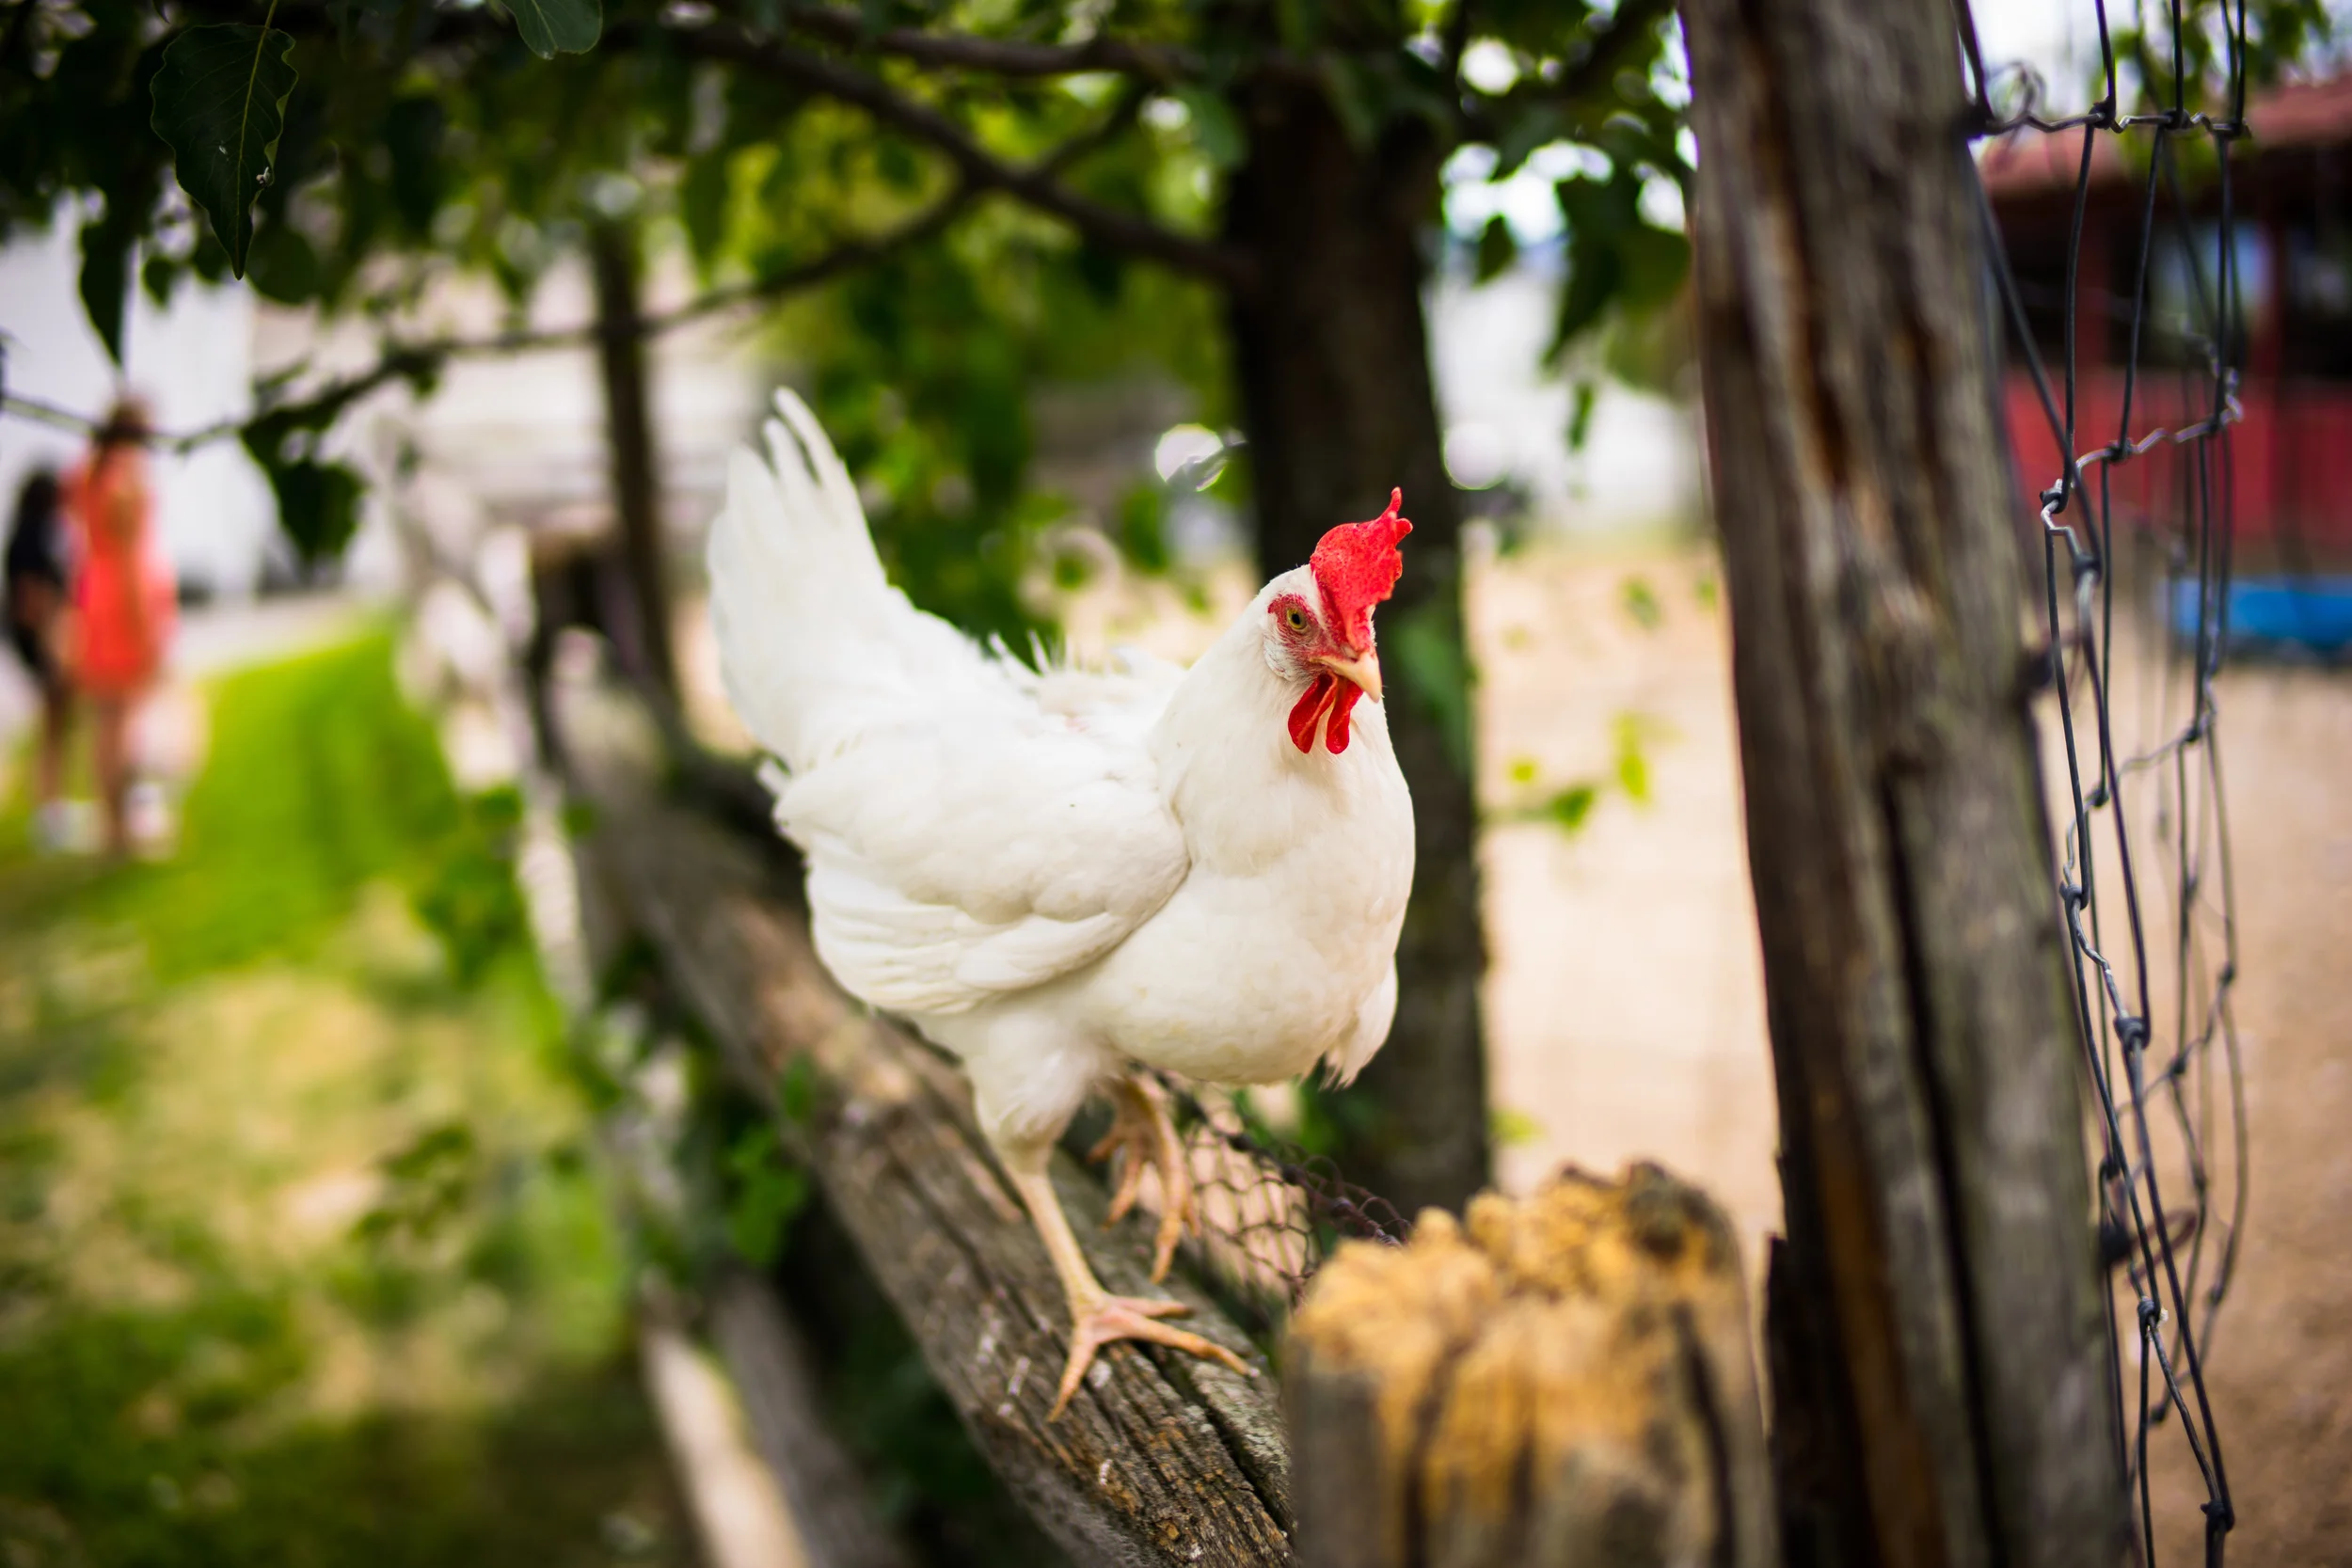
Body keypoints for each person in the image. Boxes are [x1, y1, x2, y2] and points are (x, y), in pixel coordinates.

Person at [62, 398, 176, 858]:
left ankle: (112, 826)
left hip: (91, 596)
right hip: (123, 601)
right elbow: (129, 557)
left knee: (106, 722)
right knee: (126, 718)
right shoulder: (124, 480)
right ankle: (125, 826)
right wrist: (146, 622)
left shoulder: (84, 475)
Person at [6, 467, 76, 845]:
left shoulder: (33, 533)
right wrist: (55, 645)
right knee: (52, 726)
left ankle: (54, 806)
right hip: (43, 640)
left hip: (41, 638)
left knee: (57, 725)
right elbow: (30, 599)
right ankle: (49, 812)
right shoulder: (30, 538)